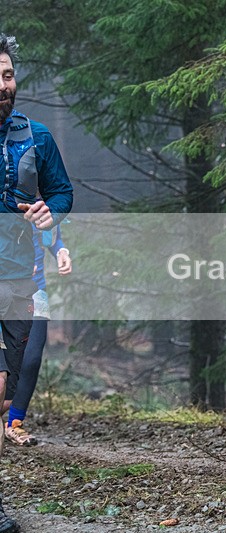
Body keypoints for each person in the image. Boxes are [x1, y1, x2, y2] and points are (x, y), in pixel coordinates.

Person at [0, 33, 74, 533]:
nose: (3, 85)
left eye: (6, 75)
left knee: (8, 387)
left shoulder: (36, 136)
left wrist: (52, 217)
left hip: (19, 279)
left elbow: (63, 194)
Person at [4, 224, 71, 446]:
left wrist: (61, 251)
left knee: (31, 359)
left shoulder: (47, 210)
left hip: (35, 293)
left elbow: (52, 238)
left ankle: (14, 423)